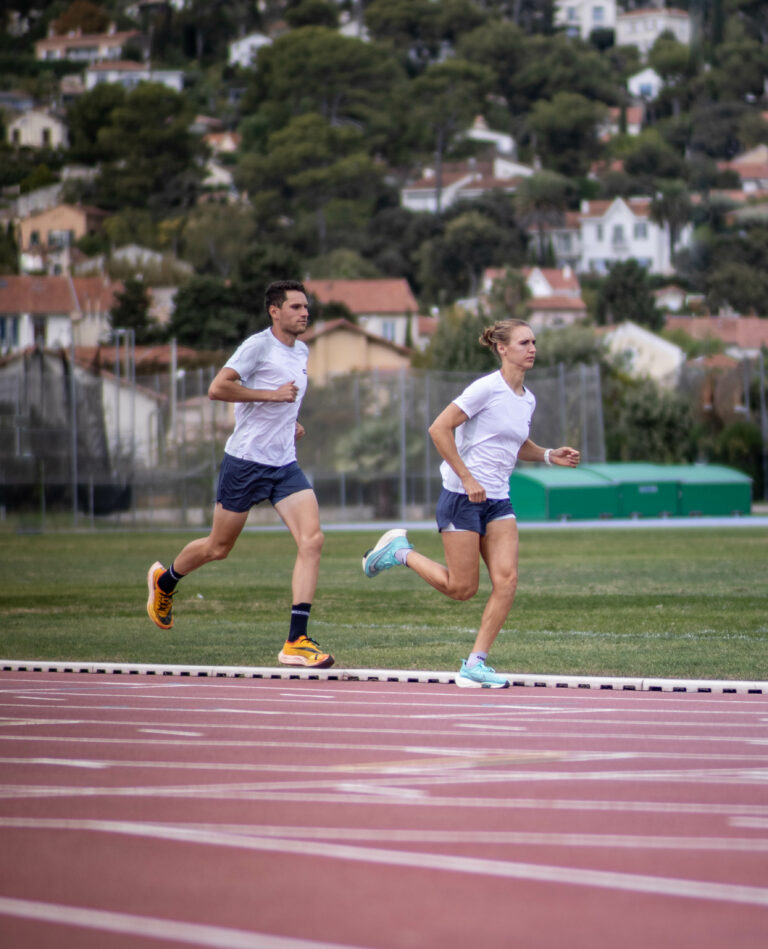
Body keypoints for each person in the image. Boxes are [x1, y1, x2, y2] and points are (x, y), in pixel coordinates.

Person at [362, 318, 579, 688]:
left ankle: (475, 663)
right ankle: (400, 552)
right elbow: (438, 428)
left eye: (534, 342)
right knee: (462, 589)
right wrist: (467, 477)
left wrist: (546, 455)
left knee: (507, 581)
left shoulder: (528, 399)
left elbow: (513, 441)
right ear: (502, 348)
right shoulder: (485, 389)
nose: (532, 349)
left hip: (498, 500)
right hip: (462, 497)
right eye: (524, 342)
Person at [146, 280, 334, 669]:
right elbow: (218, 388)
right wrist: (272, 398)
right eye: (296, 307)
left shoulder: (301, 350)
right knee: (219, 547)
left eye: (306, 307)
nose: (304, 313)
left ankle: (295, 641)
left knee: (312, 540)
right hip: (245, 462)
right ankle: (164, 582)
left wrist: (290, 420)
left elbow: (287, 397)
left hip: (284, 465)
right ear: (275, 311)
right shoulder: (257, 346)